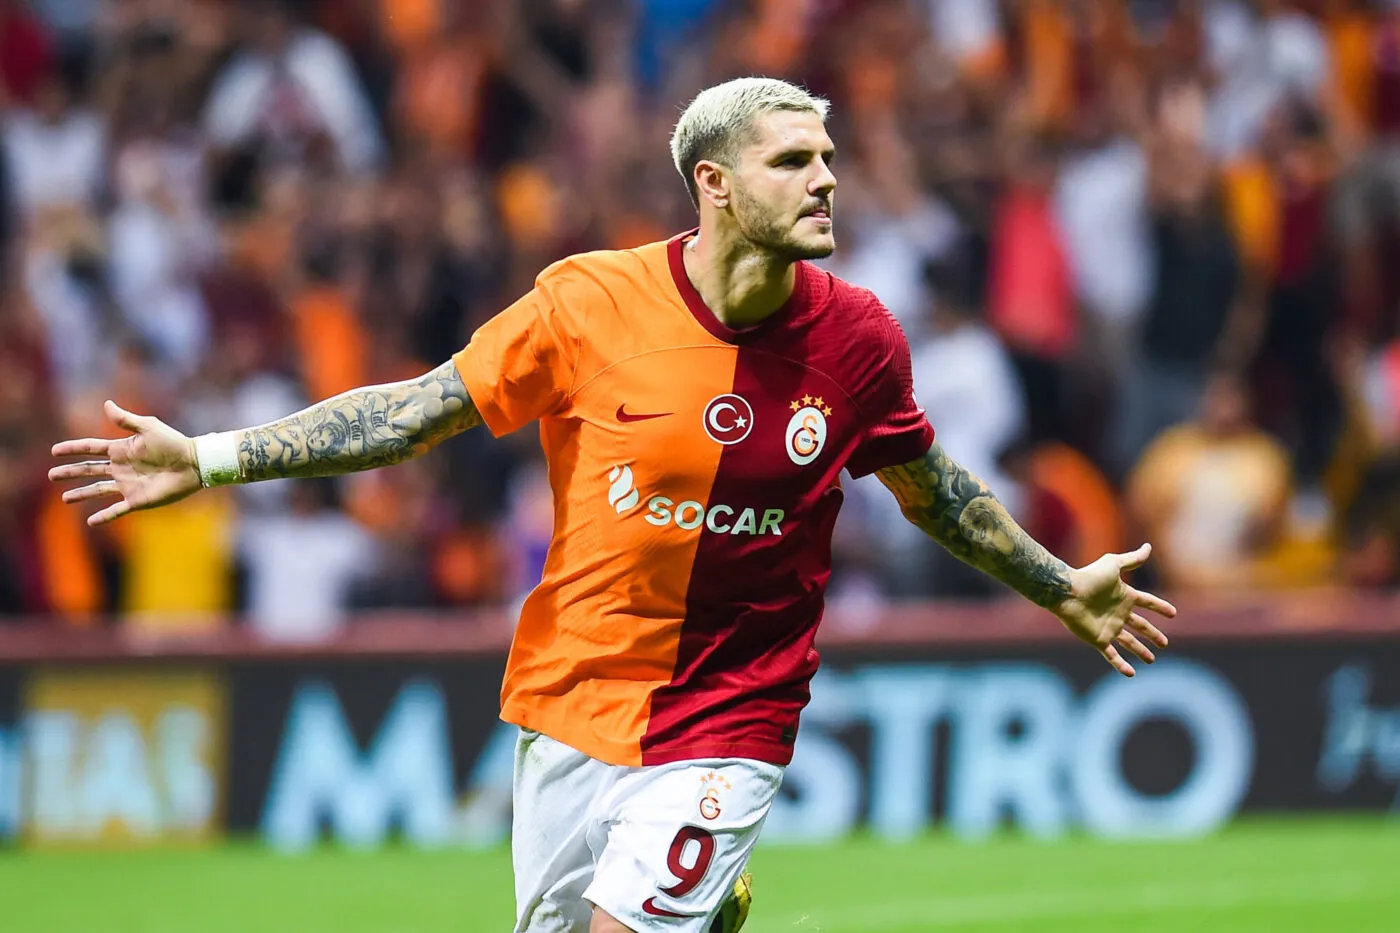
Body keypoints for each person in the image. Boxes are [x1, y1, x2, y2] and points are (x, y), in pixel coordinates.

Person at [49, 78, 1175, 933]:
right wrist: (213, 457)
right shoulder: (590, 304)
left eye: (826, 157)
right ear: (715, 185)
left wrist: (1055, 586)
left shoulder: (860, 338)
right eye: (793, 161)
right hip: (576, 698)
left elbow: (934, 492)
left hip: (732, 711)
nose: (826, 179)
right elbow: (418, 413)